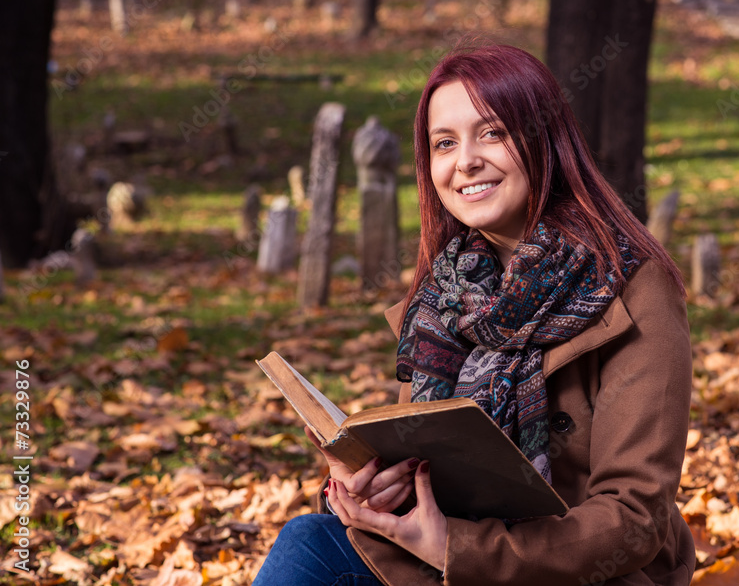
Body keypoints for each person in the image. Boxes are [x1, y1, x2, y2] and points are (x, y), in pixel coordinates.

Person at [253, 43, 695, 586]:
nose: (465, 161)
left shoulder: (633, 284)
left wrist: (455, 548)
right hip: (443, 561)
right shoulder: (445, 294)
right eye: (444, 143)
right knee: (309, 542)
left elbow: (634, 519)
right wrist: (366, 487)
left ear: (543, 139)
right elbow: (423, 459)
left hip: (570, 572)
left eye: (492, 133)